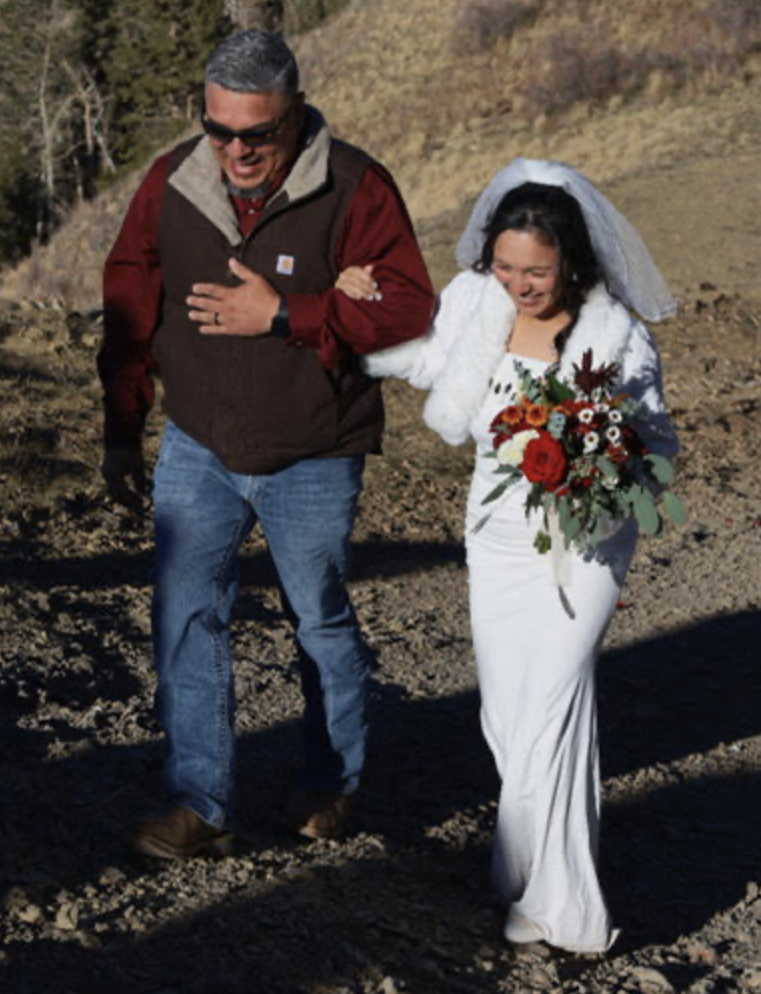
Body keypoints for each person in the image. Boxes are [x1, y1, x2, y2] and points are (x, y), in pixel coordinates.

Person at [97, 30, 434, 858]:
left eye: (258, 133)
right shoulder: (172, 180)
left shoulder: (356, 185)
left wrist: (289, 312)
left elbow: (410, 311)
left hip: (315, 451)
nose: (236, 149)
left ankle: (329, 785)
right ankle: (199, 803)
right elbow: (131, 302)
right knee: (184, 614)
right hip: (198, 443)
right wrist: (121, 426)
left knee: (318, 620)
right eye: (220, 130)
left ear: (296, 114)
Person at [337, 159, 678, 953]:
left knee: (554, 704)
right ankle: (523, 864)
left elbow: (656, 440)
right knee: (505, 712)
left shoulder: (616, 334)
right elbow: (417, 353)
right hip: (494, 535)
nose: (520, 285)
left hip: (585, 542)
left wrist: (606, 457)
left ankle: (565, 908)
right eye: (506, 267)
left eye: (538, 271)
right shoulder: (473, 303)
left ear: (573, 263)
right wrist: (360, 304)